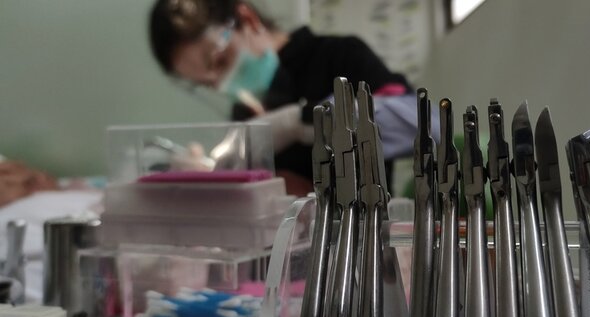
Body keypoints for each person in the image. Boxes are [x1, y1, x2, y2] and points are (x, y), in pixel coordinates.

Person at [148, 0, 429, 195]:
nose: (221, 84)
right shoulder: (244, 111)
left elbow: (424, 125)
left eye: (220, 62)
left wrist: (301, 122)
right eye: (206, 84)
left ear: (247, 19)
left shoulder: (341, 55)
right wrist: (211, 179)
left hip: (361, 244)